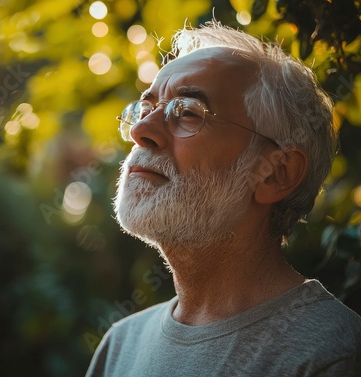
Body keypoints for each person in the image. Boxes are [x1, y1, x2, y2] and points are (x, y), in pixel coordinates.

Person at [86, 21, 361, 377]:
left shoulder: (331, 354)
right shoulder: (120, 346)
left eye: (187, 112)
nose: (140, 132)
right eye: (146, 108)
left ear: (277, 173)